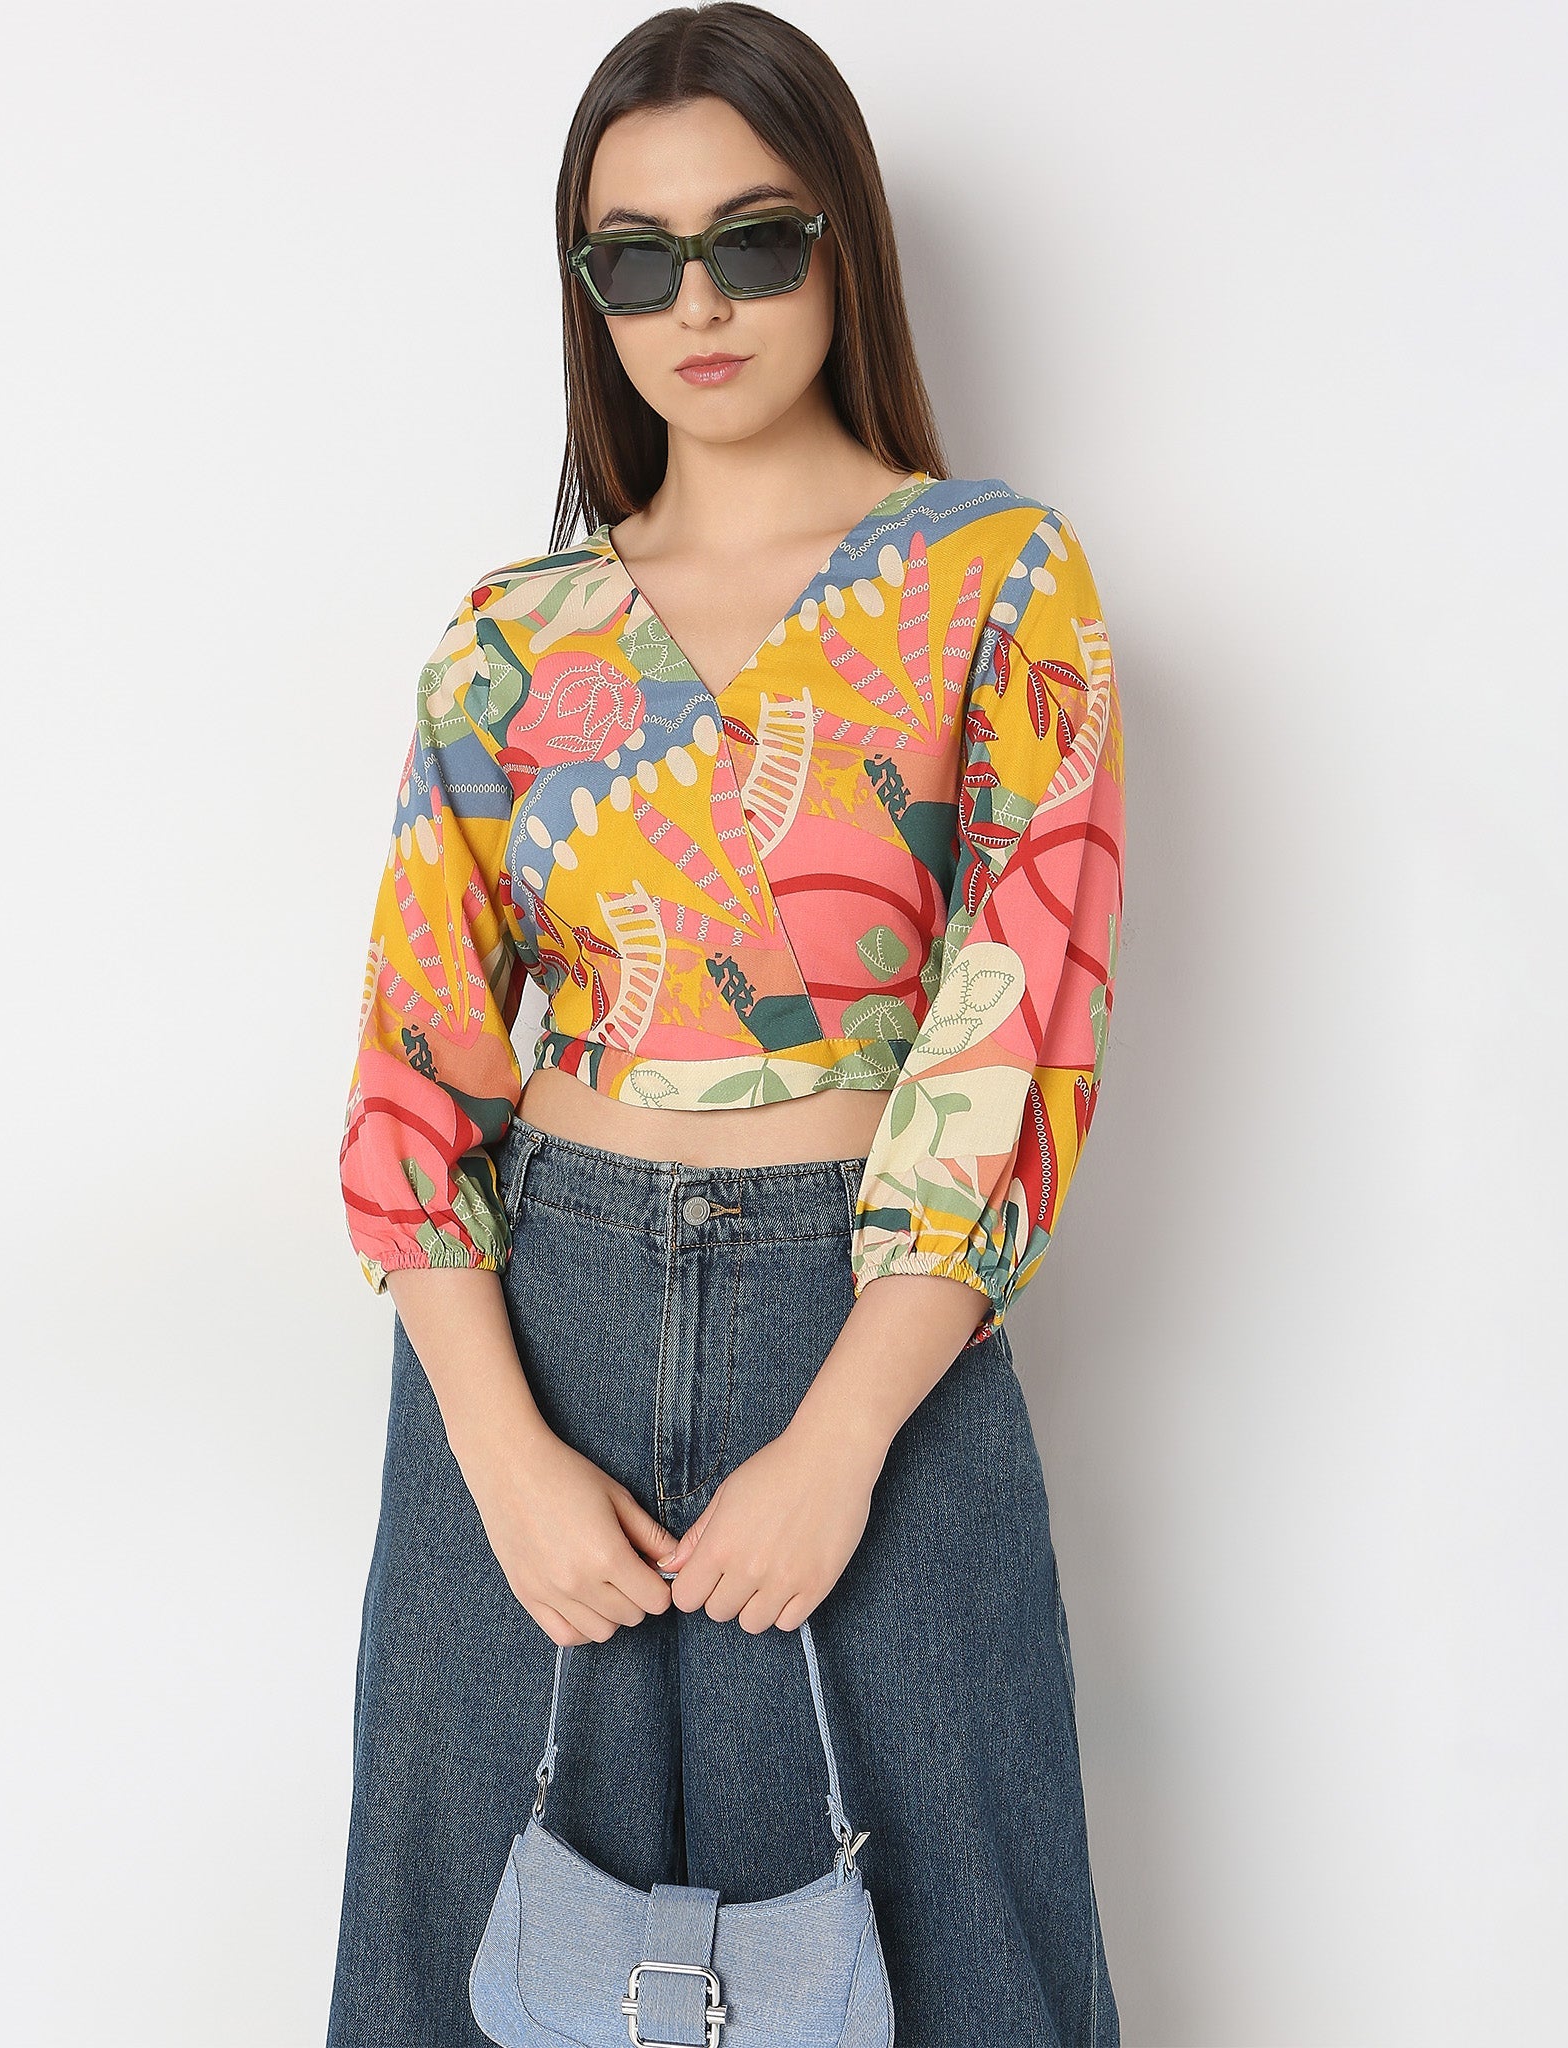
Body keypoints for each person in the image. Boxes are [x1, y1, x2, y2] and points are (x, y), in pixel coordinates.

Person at [328, 6, 1126, 2042]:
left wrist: (843, 1435)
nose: (696, 303)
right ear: (586, 288)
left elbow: (1018, 1030)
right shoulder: (513, 640)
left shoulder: (993, 575)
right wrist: (500, 1454)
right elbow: (416, 1074)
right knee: (459, 1952)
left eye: (754, 240)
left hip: (868, 1331)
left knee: (955, 1956)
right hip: (542, 1329)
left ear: (845, 244)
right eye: (635, 257)